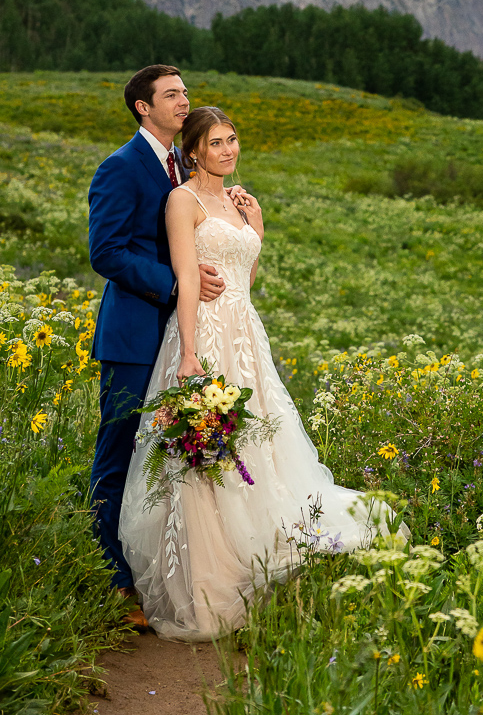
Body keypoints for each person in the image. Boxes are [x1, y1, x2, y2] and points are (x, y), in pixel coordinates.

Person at [118, 105, 393, 641]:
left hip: (248, 335)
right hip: (206, 334)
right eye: (216, 143)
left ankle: (262, 566)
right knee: (208, 457)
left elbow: (247, 275)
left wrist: (256, 223)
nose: (228, 150)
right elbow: (187, 281)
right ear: (194, 150)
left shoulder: (241, 201)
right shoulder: (183, 200)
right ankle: (211, 581)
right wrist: (190, 354)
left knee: (261, 449)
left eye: (233, 140)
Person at [88, 66, 232, 630]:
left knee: (174, 455)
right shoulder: (120, 167)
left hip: (185, 335)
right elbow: (107, 251)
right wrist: (178, 282)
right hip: (135, 333)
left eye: (185, 93)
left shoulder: (183, 168)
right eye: (171, 95)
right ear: (143, 108)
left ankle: (164, 576)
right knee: (119, 453)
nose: (183, 101)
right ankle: (112, 582)